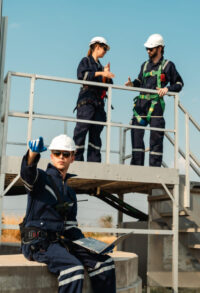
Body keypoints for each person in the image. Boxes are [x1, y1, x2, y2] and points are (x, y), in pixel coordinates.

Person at [19, 134, 116, 293]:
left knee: (104, 263)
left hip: (59, 243)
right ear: (51, 156)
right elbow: (27, 173)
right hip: (38, 244)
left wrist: (94, 247)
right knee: (74, 269)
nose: (61, 157)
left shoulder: (70, 193)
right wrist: (32, 154)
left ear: (73, 157)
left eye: (65, 154)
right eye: (57, 153)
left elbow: (71, 229)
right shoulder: (41, 179)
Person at [125, 34, 184, 167]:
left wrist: (168, 89)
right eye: (147, 48)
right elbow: (139, 81)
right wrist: (132, 84)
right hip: (141, 105)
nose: (148, 51)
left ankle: (154, 168)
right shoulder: (145, 65)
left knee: (156, 138)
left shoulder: (168, 66)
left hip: (156, 105)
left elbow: (179, 83)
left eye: (151, 49)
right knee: (136, 134)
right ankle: (136, 166)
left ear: (160, 48)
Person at [73, 36, 115, 162]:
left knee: (96, 134)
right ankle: (76, 160)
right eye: (104, 49)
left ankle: (94, 162)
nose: (105, 52)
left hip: (98, 104)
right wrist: (101, 73)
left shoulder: (101, 67)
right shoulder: (85, 61)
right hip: (86, 103)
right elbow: (82, 76)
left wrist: (106, 75)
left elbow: (109, 86)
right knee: (81, 130)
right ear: (97, 47)